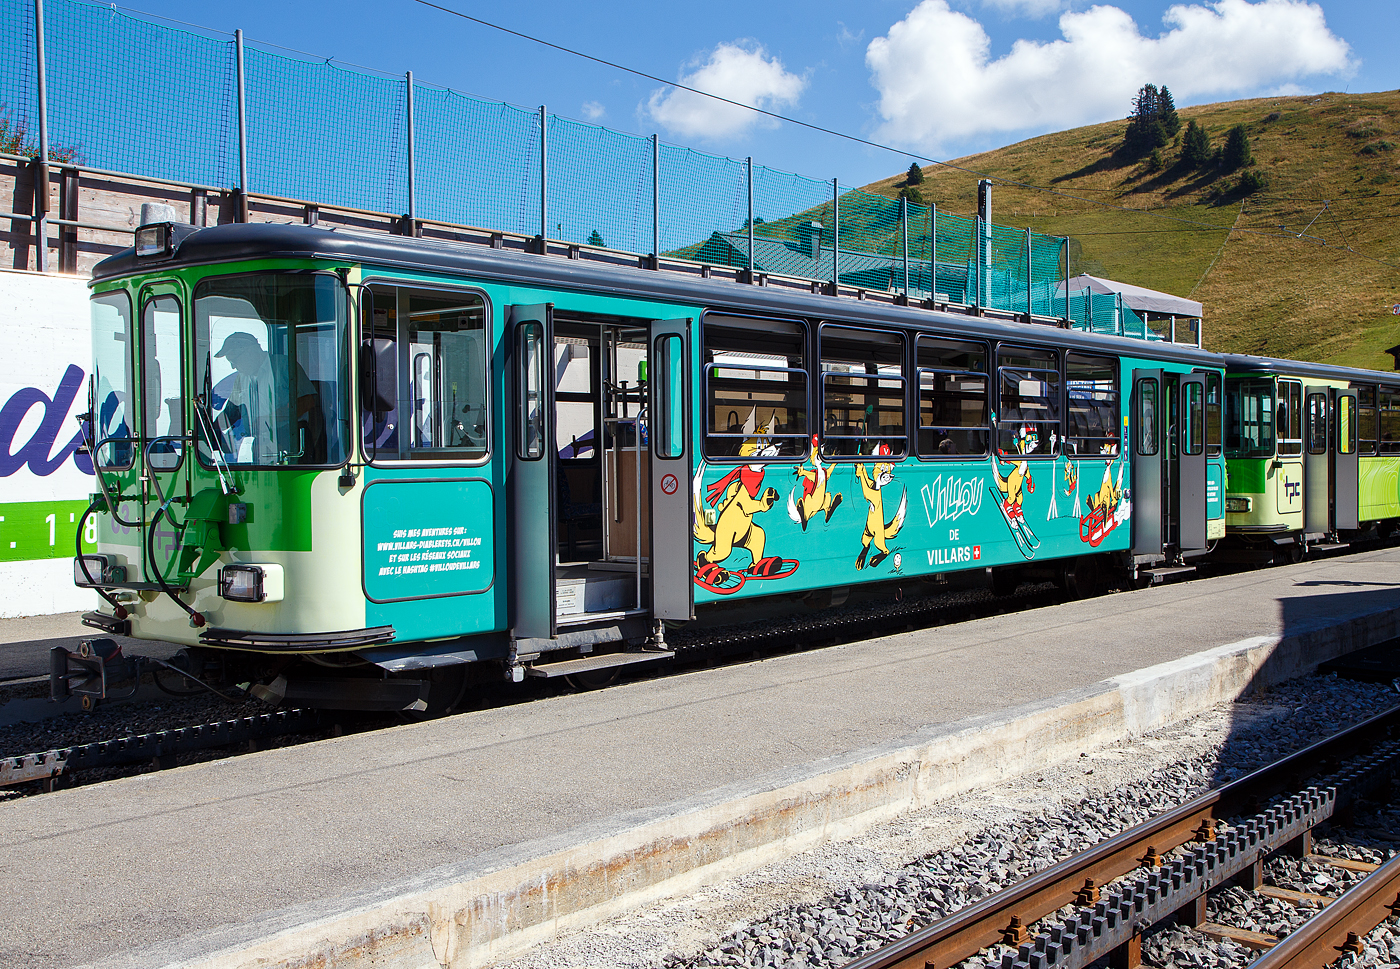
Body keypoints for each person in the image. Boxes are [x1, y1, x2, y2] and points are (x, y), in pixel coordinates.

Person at [213, 331, 317, 464]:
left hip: (291, 439)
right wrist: (211, 429)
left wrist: (270, 419)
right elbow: (232, 411)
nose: (233, 367)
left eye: (234, 361)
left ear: (250, 352)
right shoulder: (241, 378)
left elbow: (308, 401)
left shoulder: (284, 366)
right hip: (259, 442)